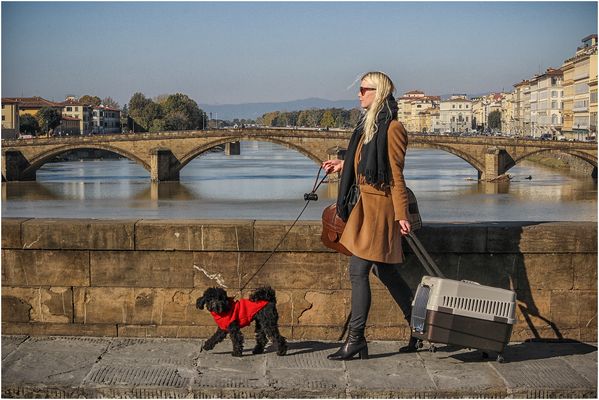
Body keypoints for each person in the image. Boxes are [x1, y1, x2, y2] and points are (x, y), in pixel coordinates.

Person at [322, 71, 416, 361]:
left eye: (364, 89)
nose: (359, 94)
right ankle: (419, 326)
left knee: (358, 271)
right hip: (364, 206)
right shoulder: (370, 126)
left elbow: (396, 175)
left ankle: (356, 340)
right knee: (385, 271)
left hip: (380, 211)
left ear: (379, 93)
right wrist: (342, 164)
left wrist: (402, 214)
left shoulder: (393, 128)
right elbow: (365, 163)